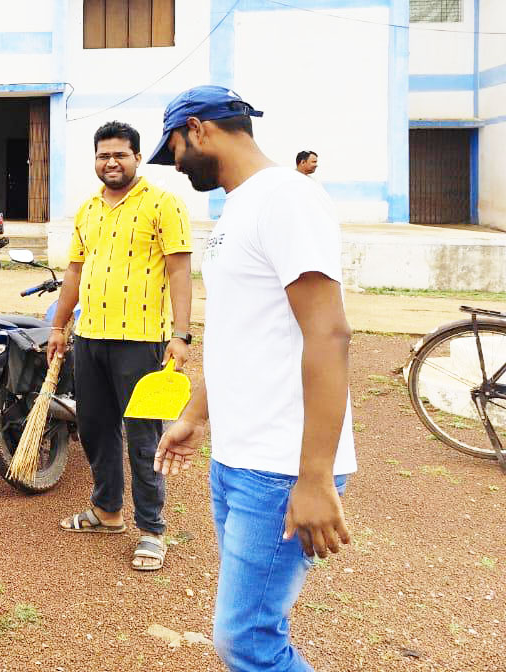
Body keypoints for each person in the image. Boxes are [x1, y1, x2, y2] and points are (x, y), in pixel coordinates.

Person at [148, 86, 354, 672]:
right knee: (253, 631)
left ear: (198, 129)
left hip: (281, 465)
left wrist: (314, 475)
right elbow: (242, 332)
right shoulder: (239, 205)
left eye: (176, 150)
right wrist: (194, 416)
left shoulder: (287, 198)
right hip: (238, 457)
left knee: (247, 639)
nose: (177, 165)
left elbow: (329, 334)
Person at [45, 121, 192, 572]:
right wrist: (59, 326)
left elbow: (179, 271)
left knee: (144, 438)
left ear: (137, 157)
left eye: (120, 155)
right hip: (90, 337)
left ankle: (151, 529)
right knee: (93, 428)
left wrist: (181, 335)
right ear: (95, 160)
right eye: (103, 155)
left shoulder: (163, 205)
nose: (111, 162)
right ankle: (107, 512)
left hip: (142, 340)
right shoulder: (88, 210)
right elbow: (73, 271)